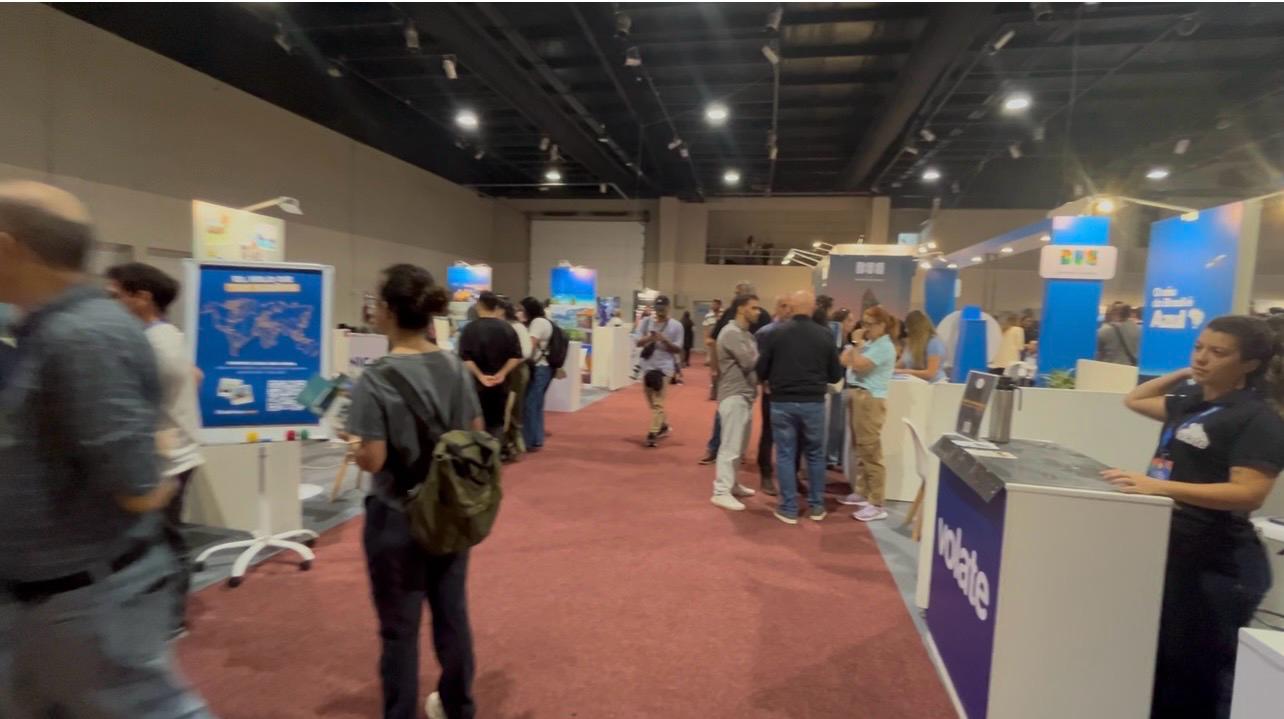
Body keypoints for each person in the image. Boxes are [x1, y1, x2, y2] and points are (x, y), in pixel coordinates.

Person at [0, 181, 211, 717]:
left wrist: (159, 454)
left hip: (87, 604)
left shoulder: (84, 336)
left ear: (7, 246)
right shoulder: (42, 329)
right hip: (45, 598)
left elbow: (138, 486)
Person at [1106, 315, 1284, 718]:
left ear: (1250, 364)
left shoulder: (1257, 419)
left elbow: (1249, 494)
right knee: (1164, 666)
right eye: (1199, 347)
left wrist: (1161, 487)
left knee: (1199, 679)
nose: (1202, 358)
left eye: (1218, 353)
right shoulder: (1191, 400)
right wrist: (1186, 373)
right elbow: (1134, 399)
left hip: (1218, 564)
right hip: (1177, 551)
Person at [344, 263, 481, 719]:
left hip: (397, 516)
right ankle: (458, 705)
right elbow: (475, 432)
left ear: (387, 310)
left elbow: (374, 459)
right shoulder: (455, 367)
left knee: (399, 628)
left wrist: (354, 444)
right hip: (449, 509)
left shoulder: (376, 378)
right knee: (451, 615)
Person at [105, 262, 205, 639]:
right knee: (163, 538)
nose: (110, 304)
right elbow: (196, 377)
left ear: (142, 298)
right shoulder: (168, 336)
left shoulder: (151, 346)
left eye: (116, 296)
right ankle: (166, 614)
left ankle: (168, 618)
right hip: (173, 454)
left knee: (161, 541)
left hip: (165, 460)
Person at [756, 290, 844, 524]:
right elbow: (836, 375)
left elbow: (761, 369)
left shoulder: (776, 333)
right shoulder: (825, 335)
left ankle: (788, 508)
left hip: (782, 402)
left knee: (785, 454)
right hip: (813, 403)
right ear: (813, 308)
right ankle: (816, 506)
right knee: (815, 454)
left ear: (792, 308)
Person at [699, 283, 772, 464]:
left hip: (750, 383)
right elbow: (713, 341)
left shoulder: (761, 318)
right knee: (725, 421)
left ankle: (737, 453)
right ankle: (715, 449)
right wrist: (715, 369)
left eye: (738, 293)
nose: (735, 296)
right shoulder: (730, 321)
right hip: (733, 382)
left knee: (742, 425)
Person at [839, 306, 900, 522]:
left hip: (870, 398)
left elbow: (858, 365)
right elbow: (844, 360)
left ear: (882, 325)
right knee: (860, 447)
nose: (865, 328)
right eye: (863, 323)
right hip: (858, 395)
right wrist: (857, 347)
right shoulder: (871, 344)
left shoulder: (884, 347)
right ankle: (862, 491)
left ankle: (877, 502)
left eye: (869, 324)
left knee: (871, 450)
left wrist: (856, 344)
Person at [710, 294, 762, 511]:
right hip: (733, 395)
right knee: (730, 446)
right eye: (754, 308)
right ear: (741, 309)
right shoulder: (731, 332)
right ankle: (721, 491)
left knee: (739, 446)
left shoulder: (747, 335)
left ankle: (732, 484)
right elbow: (750, 361)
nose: (758, 312)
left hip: (746, 395)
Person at [458, 291, 523, 439]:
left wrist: (480, 376)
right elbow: (516, 356)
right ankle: (495, 449)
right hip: (501, 384)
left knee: (475, 421)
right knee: (497, 422)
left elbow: (465, 358)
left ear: (479, 305)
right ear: (496, 307)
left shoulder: (469, 329)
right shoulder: (508, 328)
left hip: (475, 384)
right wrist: (502, 373)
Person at [752, 295, 792, 495]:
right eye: (784, 306)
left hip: (791, 390)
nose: (788, 310)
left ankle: (791, 476)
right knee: (768, 432)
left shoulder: (795, 332)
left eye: (790, 306)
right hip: (771, 390)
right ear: (776, 308)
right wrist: (764, 381)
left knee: (792, 435)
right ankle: (766, 473)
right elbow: (757, 362)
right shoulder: (765, 332)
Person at [635, 294, 684, 447]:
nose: (660, 311)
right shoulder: (646, 322)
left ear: (668, 308)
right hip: (647, 366)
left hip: (664, 368)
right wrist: (650, 338)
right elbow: (637, 342)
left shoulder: (676, 326)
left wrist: (665, 340)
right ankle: (662, 424)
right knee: (651, 401)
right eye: (658, 308)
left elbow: (678, 349)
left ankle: (652, 433)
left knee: (658, 402)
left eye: (662, 308)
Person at [521, 296, 555, 451]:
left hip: (540, 367)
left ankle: (530, 440)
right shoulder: (544, 321)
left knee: (530, 403)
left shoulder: (537, 323)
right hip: (545, 367)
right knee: (536, 404)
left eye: (521, 309)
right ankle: (536, 438)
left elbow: (530, 346)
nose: (519, 312)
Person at [501, 299, 532, 460]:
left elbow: (525, 352)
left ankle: (514, 444)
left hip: (516, 372)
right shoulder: (507, 326)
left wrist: (508, 363)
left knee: (514, 408)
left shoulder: (517, 327)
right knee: (507, 407)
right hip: (508, 371)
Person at [898, 309, 947, 382]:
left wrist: (905, 372)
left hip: (933, 384)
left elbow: (930, 373)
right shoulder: (911, 343)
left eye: (908, 327)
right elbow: (901, 364)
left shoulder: (934, 343)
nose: (906, 330)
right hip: (914, 383)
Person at [1098, 302, 1141, 366]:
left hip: (1111, 367)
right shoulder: (1137, 328)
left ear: (1114, 313)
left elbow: (1097, 350)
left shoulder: (1106, 330)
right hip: (1131, 367)